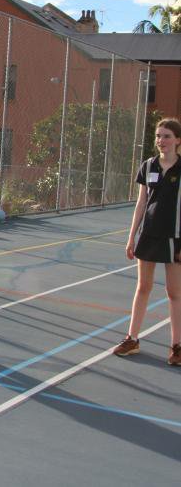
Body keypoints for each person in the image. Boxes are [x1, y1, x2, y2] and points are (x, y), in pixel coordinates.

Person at [116, 117, 181, 366]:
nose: (161, 141)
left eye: (166, 136)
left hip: (174, 238)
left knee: (174, 292)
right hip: (148, 235)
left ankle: (176, 346)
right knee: (143, 288)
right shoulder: (148, 166)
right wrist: (131, 236)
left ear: (177, 140)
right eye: (158, 136)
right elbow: (141, 203)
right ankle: (132, 339)